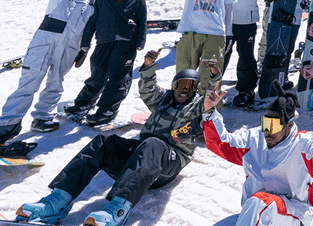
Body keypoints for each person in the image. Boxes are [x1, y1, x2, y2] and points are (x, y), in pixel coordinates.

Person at [15, 49, 220, 226]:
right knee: (103, 143)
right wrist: (148, 66)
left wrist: (214, 78)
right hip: (143, 159)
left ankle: (117, 211)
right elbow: (148, 90)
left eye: (191, 87)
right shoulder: (163, 100)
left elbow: (208, 104)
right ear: (174, 86)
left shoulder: (196, 107)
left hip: (169, 162)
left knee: (153, 144)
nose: (185, 90)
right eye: (181, 85)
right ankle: (57, 201)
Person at [0, 0, 96, 143]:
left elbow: (90, 27)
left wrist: (83, 48)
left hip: (70, 45)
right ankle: (7, 123)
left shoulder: (92, 1)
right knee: (30, 79)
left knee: (56, 82)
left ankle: (42, 118)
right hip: (46, 38)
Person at [203, 82, 313, 226]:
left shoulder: (303, 144)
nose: (267, 131)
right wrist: (209, 112)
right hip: (257, 213)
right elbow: (221, 143)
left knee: (259, 201)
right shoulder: (254, 139)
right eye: (266, 123)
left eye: (274, 125)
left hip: (293, 215)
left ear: (288, 126)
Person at [65, 0, 147, 126]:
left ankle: (106, 111)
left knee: (118, 78)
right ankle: (83, 104)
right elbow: (93, 21)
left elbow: (142, 22)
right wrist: (85, 42)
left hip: (126, 43)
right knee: (97, 74)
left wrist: (140, 42)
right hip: (104, 41)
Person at [173, 0, 236, 99]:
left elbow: (228, 13)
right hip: (191, 32)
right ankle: (180, 109)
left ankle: (207, 112)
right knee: (184, 73)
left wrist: (228, 36)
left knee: (209, 78)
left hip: (215, 35)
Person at [224, 0, 276, 107]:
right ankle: (211, 87)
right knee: (221, 55)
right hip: (227, 22)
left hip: (247, 23)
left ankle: (246, 91)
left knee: (246, 57)